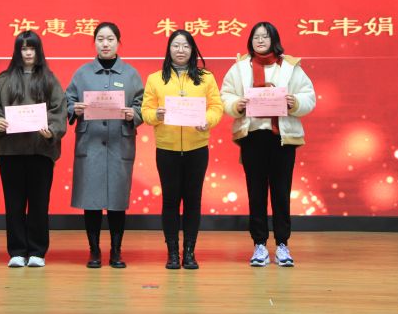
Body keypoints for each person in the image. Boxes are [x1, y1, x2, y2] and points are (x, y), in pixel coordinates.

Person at [220, 21, 316, 267]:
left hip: (282, 138)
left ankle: (283, 244)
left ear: (274, 40)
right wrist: (236, 104)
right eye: (256, 37)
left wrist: (295, 102)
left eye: (265, 36)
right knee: (256, 192)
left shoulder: (290, 67)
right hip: (253, 137)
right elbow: (225, 95)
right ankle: (259, 244)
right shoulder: (240, 67)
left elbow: (309, 96)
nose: (260, 41)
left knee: (282, 192)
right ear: (250, 41)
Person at [142, 29, 223, 269]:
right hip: (166, 149)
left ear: (193, 50)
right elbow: (146, 111)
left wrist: (207, 120)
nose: (180, 50)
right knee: (170, 201)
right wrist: (155, 115)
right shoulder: (155, 79)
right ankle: (172, 253)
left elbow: (216, 107)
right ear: (169, 49)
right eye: (176, 45)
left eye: (186, 46)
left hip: (196, 148)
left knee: (192, 200)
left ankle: (189, 252)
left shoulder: (206, 77)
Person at [66, 22, 144, 269]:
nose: (105, 44)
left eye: (110, 39)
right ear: (94, 42)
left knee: (117, 202)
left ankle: (116, 251)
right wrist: (74, 108)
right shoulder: (82, 73)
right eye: (100, 39)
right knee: (91, 201)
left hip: (119, 144)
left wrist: (134, 114)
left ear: (119, 42)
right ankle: (94, 251)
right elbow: (67, 101)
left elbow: (143, 104)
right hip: (90, 145)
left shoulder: (130, 74)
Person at [0, 30, 67, 268]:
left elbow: (59, 109)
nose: (28, 53)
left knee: (39, 203)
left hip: (40, 150)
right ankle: (17, 251)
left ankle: (37, 251)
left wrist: (52, 130)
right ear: (17, 52)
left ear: (38, 51)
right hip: (10, 151)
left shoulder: (49, 79)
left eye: (32, 48)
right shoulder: (3, 79)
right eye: (23, 49)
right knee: (13, 203)